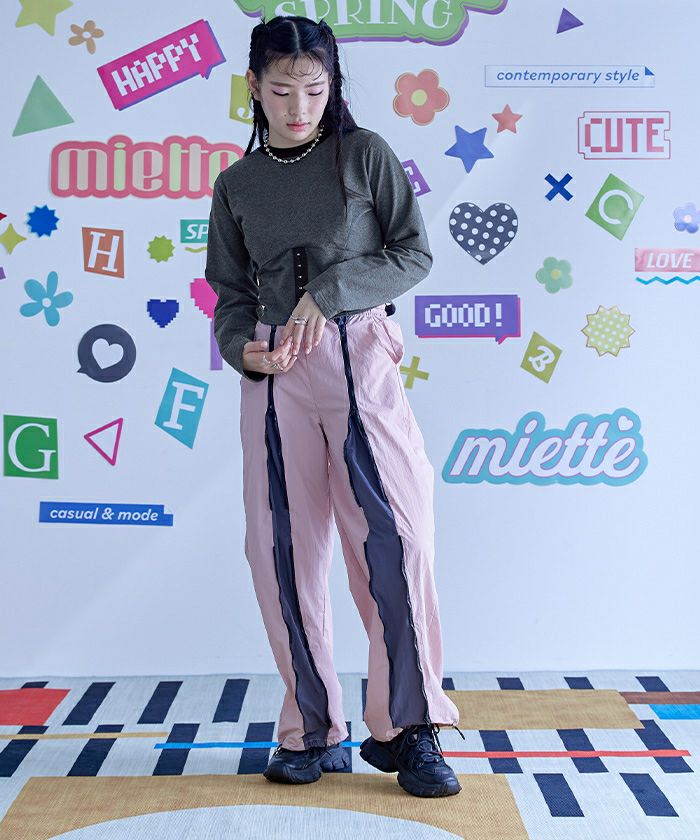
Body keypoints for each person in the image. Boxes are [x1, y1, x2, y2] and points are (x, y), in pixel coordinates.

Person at [205, 14, 465, 798]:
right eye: (282, 90)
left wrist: (329, 291)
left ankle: (410, 729)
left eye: (314, 89)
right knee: (279, 551)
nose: (299, 106)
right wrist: (240, 347)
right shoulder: (237, 184)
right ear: (254, 87)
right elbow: (228, 291)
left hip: (359, 356)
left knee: (396, 541)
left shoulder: (364, 154)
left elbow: (412, 253)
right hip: (274, 374)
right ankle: (312, 731)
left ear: (332, 86)